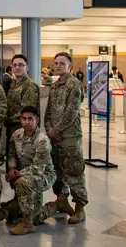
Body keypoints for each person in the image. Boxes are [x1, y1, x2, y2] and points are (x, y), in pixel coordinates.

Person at [44, 52, 87, 224]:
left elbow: (71, 111)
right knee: (58, 170)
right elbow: (48, 111)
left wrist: (56, 129)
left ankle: (80, 208)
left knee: (74, 172)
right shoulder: (55, 86)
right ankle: (62, 199)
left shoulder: (74, 84)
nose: (58, 66)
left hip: (69, 136)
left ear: (70, 66)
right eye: (56, 63)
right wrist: (49, 128)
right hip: (55, 137)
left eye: (62, 63)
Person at [5, 106, 56, 235]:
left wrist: (17, 174)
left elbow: (37, 168)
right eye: (24, 119)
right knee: (36, 217)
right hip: (27, 175)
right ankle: (55, 205)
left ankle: (27, 224)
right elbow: (11, 154)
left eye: (30, 119)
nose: (26, 122)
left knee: (21, 182)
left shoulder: (42, 140)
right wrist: (12, 168)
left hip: (44, 175)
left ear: (37, 120)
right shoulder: (17, 134)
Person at [6, 55, 39, 167]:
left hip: (25, 131)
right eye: (14, 65)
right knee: (12, 164)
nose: (17, 67)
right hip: (13, 130)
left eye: (21, 65)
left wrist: (9, 119)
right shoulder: (14, 84)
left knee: (23, 166)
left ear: (27, 67)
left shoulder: (29, 85)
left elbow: (28, 111)